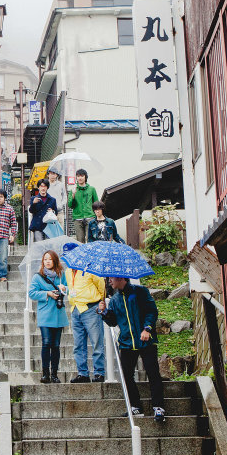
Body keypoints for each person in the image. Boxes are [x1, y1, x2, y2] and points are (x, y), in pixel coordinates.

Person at [98, 276, 165, 422]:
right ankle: (135, 407)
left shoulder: (140, 291)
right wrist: (104, 312)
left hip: (145, 340)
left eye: (111, 279)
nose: (109, 281)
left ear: (121, 278)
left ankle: (158, 407)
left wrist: (147, 328)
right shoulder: (115, 299)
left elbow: (151, 311)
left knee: (152, 373)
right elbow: (113, 322)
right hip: (127, 343)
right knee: (126, 375)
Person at [62, 242, 106, 382]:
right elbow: (72, 288)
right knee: (78, 344)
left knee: (96, 342)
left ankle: (99, 372)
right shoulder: (68, 271)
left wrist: (101, 300)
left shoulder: (89, 267)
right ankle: (83, 373)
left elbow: (101, 285)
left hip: (91, 308)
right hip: (75, 308)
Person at [28, 250, 68, 384]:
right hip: (45, 314)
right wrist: (47, 293)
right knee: (46, 343)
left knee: (56, 345)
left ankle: (54, 374)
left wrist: (64, 289)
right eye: (45, 259)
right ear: (42, 262)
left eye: (50, 259)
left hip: (58, 314)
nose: (48, 261)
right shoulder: (38, 277)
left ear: (55, 260)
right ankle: (45, 374)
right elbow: (32, 293)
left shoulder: (61, 275)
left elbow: (69, 291)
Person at [67, 168, 99, 243]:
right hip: (78, 218)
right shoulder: (73, 190)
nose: (80, 178)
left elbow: (96, 203)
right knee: (80, 241)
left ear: (85, 177)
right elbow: (70, 205)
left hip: (90, 217)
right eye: (78, 176)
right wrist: (73, 195)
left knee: (90, 239)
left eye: (81, 176)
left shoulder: (91, 189)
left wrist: (97, 216)